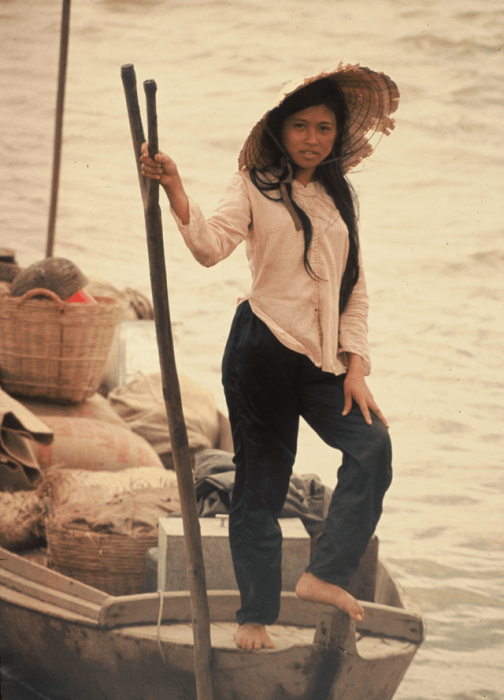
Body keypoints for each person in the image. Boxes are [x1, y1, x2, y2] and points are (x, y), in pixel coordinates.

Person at [140, 62, 400, 652]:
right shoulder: (253, 184)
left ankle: (322, 575)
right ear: (279, 131)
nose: (313, 138)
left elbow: (353, 286)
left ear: (338, 135)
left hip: (323, 362)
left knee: (373, 448)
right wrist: (176, 187)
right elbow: (210, 248)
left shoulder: (339, 195)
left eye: (325, 127)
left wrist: (356, 364)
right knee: (261, 485)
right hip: (259, 350)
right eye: (301, 125)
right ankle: (254, 616)